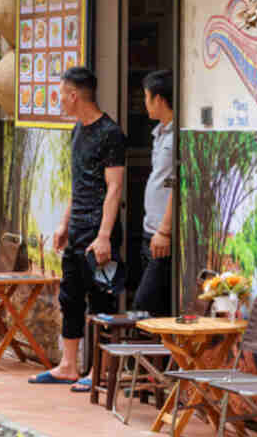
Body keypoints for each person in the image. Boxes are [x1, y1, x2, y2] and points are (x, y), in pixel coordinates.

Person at [30, 66, 125, 389]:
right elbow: (77, 184)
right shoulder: (78, 131)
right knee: (70, 297)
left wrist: (104, 235)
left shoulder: (110, 133)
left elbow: (114, 188)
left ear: (74, 96)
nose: (59, 102)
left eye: (60, 95)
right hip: (78, 228)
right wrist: (64, 223)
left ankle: (96, 371)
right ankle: (68, 365)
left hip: (100, 232)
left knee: (101, 301)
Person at [135, 70, 175, 317]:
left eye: (147, 97)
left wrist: (165, 230)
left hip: (162, 233)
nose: (144, 103)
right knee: (157, 309)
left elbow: (176, 186)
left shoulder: (177, 136)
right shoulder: (159, 134)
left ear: (159, 99)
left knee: (145, 304)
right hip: (149, 230)